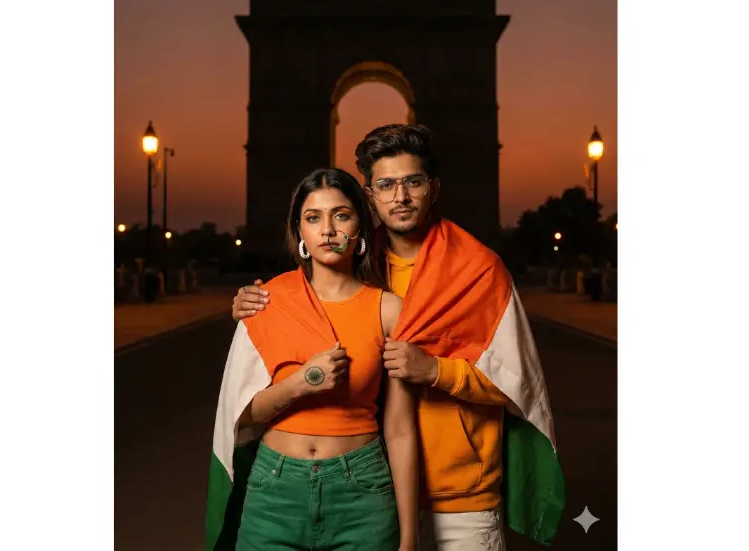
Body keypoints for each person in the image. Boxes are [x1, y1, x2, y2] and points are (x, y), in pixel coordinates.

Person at [232, 125, 565, 550]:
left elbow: (518, 380)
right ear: (370, 196)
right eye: (386, 185)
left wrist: (435, 370)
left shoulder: (479, 270)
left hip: (461, 492)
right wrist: (253, 305)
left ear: (434, 187)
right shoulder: (355, 267)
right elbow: (308, 302)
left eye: (413, 182)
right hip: (372, 487)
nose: (400, 197)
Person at [206, 168, 420, 551]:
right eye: (313, 217)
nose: (328, 230)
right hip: (274, 493)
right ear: (299, 232)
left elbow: (401, 428)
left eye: (341, 215)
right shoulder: (265, 301)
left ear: (360, 227)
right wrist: (300, 384)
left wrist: (409, 536)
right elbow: (241, 414)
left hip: (363, 492)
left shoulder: (388, 310)